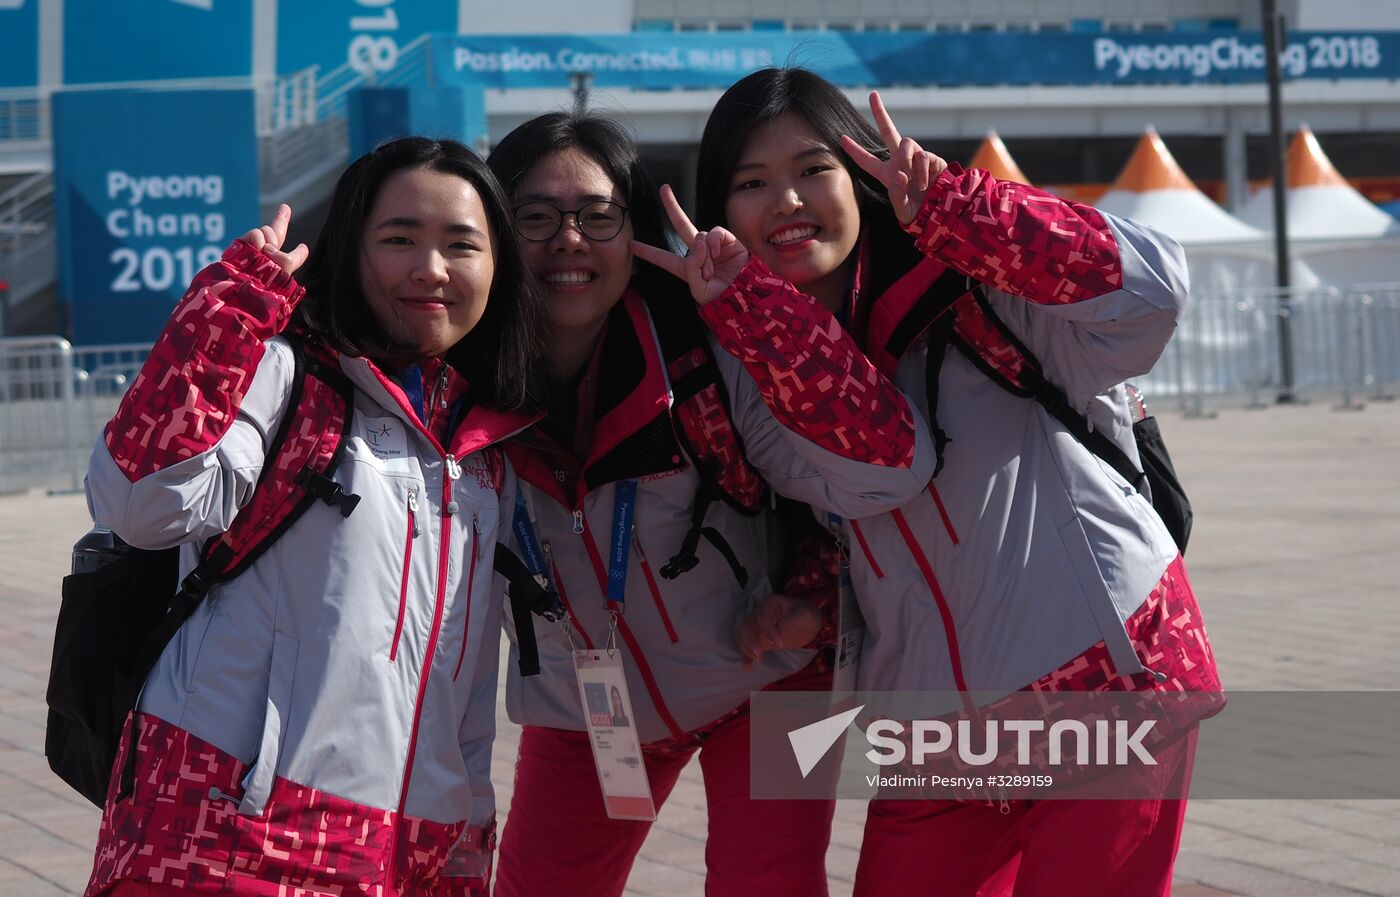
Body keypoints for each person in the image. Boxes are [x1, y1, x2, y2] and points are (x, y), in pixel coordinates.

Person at [693, 68, 1224, 897]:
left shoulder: (978, 280)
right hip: (932, 719)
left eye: (811, 170)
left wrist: (970, 214)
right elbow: (868, 481)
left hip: (1099, 678)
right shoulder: (747, 356)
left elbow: (1154, 292)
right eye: (751, 183)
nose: (787, 202)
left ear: (861, 170)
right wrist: (813, 598)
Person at [82, 137, 550, 896]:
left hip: (404, 854)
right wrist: (223, 318)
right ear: (349, 246)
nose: (431, 268)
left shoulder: (486, 449)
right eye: (399, 239)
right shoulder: (282, 372)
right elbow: (141, 504)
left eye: (462, 245)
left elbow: (463, 698)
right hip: (224, 831)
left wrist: (464, 847)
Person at [485, 112, 933, 897]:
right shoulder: (460, 382)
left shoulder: (705, 350)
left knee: (770, 884)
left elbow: (880, 474)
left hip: (773, 679)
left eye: (599, 216)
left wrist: (815, 602)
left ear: (636, 230)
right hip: (589, 710)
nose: (569, 241)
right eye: (534, 217)